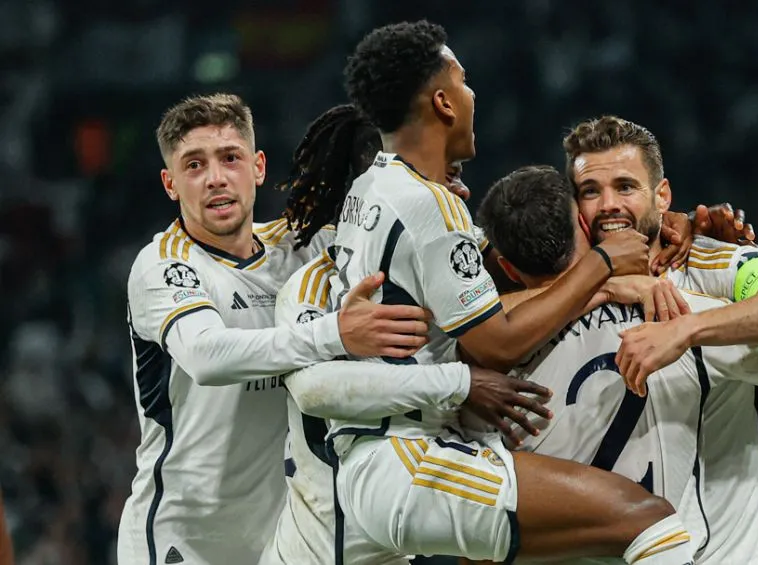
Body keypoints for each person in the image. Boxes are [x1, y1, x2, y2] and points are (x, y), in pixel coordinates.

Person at [281, 19, 704, 564]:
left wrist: (680, 223)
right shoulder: (428, 205)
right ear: (443, 103)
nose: (472, 93)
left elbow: (491, 276)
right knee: (648, 520)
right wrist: (602, 264)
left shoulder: (373, 186)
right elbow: (496, 342)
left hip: (384, 460)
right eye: (463, 81)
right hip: (405, 456)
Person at [118, 93, 427, 565]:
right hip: (180, 542)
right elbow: (206, 356)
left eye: (230, 158)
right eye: (194, 165)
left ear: (258, 167)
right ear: (170, 184)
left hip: (282, 540)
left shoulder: (302, 247)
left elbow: (401, 240)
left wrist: (432, 192)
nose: (216, 177)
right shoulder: (163, 265)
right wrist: (336, 334)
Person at [478, 165, 758, 565]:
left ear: (507, 268)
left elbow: (477, 544)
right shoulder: (682, 319)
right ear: (584, 224)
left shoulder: (484, 375)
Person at [559, 115, 758, 389]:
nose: (608, 204)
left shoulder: (715, 263)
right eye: (590, 191)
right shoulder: (558, 279)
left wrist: (687, 329)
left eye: (625, 187)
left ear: (662, 197)